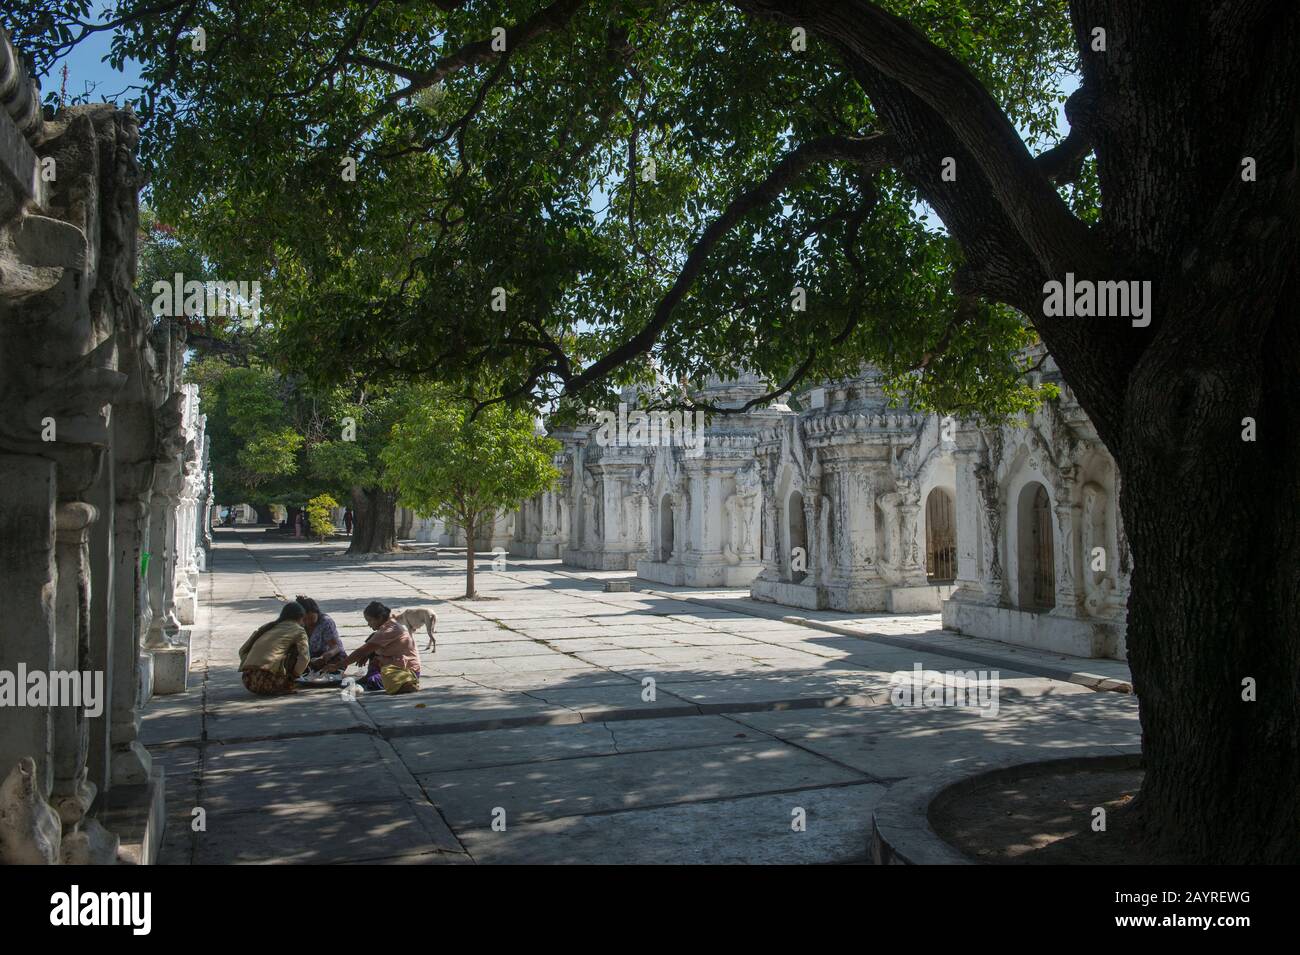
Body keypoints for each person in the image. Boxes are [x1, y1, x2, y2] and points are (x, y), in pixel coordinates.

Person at [327, 601, 420, 694]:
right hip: (390, 665)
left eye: (370, 621)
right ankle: (372, 678)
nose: (369, 624)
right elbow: (369, 647)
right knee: (373, 648)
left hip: (405, 671)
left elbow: (362, 650)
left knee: (374, 682)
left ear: (379, 618)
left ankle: (406, 684)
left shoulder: (390, 629)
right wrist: (368, 654)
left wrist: (338, 665)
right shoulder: (386, 627)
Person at [238, 602, 309, 696]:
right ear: (300, 617)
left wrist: (253, 664)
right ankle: (284, 684)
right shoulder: (299, 630)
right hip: (269, 682)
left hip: (248, 680)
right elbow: (304, 658)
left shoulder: (268, 627)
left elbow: (242, 650)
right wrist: (294, 677)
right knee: (295, 650)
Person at [296, 595, 346, 671]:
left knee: (334, 665)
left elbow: (335, 647)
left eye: (311, 618)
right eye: (305, 619)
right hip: (309, 657)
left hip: (329, 655)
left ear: (317, 612)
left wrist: (324, 657)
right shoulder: (297, 624)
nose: (308, 622)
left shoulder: (325, 622)